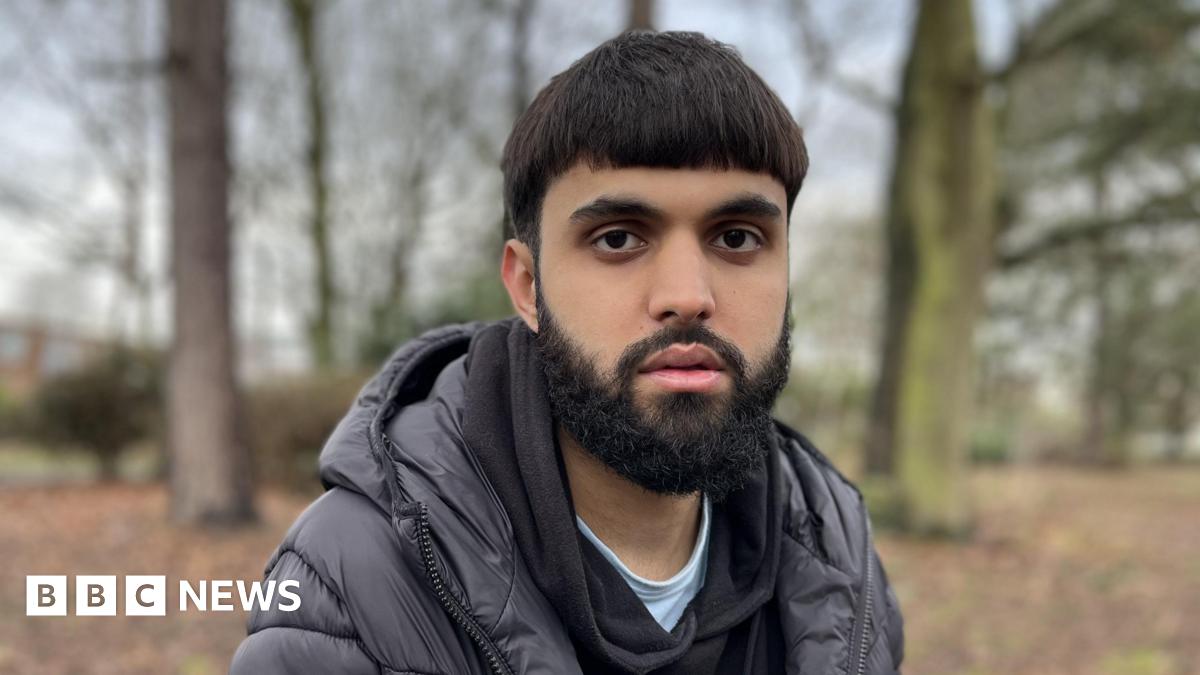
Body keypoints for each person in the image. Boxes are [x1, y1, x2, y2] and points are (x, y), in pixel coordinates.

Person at [230, 30, 904, 675]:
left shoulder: (837, 558)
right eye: (618, 239)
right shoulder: (355, 582)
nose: (688, 296)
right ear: (527, 285)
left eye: (736, 238)